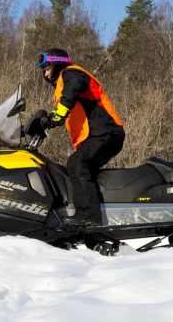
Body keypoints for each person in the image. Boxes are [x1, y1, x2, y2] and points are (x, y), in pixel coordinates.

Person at [36, 48, 125, 227]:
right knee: (80, 170)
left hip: (107, 134)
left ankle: (88, 217)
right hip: (97, 137)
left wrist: (58, 114)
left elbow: (71, 93)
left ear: (56, 63)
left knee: (77, 163)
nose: (45, 75)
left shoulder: (72, 74)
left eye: (47, 68)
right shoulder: (64, 84)